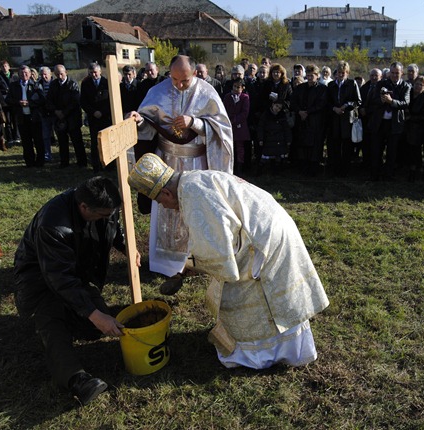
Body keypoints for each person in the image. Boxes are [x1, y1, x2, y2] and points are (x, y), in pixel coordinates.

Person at [128, 153, 329, 369]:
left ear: (166, 192)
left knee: (238, 297)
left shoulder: (192, 194)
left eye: (161, 202)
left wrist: (192, 265)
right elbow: (214, 235)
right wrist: (193, 264)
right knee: (267, 295)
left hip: (261, 242)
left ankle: (260, 356)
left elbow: (216, 249)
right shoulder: (192, 179)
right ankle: (289, 348)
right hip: (268, 226)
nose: (166, 207)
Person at [13, 177, 140, 406]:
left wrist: (126, 246)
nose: (109, 217)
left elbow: (114, 227)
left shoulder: (105, 206)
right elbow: (59, 279)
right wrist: (95, 314)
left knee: (94, 327)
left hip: (76, 273)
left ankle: (73, 318)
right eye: (104, 215)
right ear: (84, 207)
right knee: (52, 320)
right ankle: (76, 379)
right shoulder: (53, 225)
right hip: (40, 279)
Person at [128, 55, 233, 294]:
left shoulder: (207, 93)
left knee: (193, 210)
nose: (179, 85)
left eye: (184, 80)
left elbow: (222, 130)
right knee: (165, 209)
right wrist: (139, 120)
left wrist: (194, 122)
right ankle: (164, 262)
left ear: (194, 73)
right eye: (174, 79)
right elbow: (147, 123)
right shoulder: (158, 91)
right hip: (166, 161)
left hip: (196, 162)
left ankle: (194, 261)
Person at [366, 61, 411, 181]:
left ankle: (389, 175)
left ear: (402, 73)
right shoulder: (381, 84)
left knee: (392, 151)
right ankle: (375, 174)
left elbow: (405, 103)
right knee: (376, 150)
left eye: (397, 73)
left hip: (394, 123)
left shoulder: (406, 86)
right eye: (392, 73)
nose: (395, 75)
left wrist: (391, 101)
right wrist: (382, 100)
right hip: (380, 123)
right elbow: (373, 100)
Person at [47, 64, 88, 169]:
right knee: (62, 141)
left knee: (77, 141)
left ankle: (82, 162)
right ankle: (64, 162)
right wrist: (56, 111)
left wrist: (64, 113)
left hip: (72, 117)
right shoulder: (53, 85)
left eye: (61, 74)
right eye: (57, 74)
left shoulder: (72, 84)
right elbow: (49, 100)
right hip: (59, 118)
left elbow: (75, 101)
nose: (59, 76)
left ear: (66, 72)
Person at [290, 64, 328, 176]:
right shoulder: (300, 88)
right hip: (302, 121)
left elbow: (321, 104)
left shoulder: (322, 89)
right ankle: (303, 167)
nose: (310, 78)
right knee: (302, 145)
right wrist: (299, 111)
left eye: (312, 75)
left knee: (315, 146)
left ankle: (314, 168)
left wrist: (308, 112)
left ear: (317, 75)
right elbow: (293, 102)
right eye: (308, 75)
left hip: (315, 122)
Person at [6, 65, 45, 168]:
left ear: (30, 74)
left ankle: (40, 161)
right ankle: (29, 162)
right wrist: (18, 103)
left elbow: (42, 100)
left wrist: (29, 103)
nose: (24, 75)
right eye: (22, 73)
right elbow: (8, 100)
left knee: (38, 140)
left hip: (35, 118)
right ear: (19, 74)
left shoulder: (36, 85)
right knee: (26, 141)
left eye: (26, 73)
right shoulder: (13, 86)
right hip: (21, 118)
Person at [327, 61, 361, 177]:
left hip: (347, 119)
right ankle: (335, 169)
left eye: (343, 73)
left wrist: (346, 106)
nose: (341, 75)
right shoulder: (331, 85)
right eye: (339, 72)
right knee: (335, 145)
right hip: (334, 119)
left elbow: (358, 101)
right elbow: (327, 102)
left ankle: (345, 169)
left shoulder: (352, 84)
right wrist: (334, 108)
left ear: (347, 73)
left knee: (346, 145)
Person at [80, 62, 112, 173]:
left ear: (100, 71)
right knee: (95, 143)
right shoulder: (85, 84)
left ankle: (109, 165)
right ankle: (96, 166)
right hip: (93, 118)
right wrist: (93, 112)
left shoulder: (107, 83)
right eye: (91, 73)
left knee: (107, 142)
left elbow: (110, 101)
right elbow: (83, 101)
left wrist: (102, 112)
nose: (93, 75)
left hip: (105, 117)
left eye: (95, 72)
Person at [405, 76, 424, 181]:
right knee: (409, 149)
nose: (418, 86)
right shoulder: (409, 95)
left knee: (416, 150)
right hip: (408, 127)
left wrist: (411, 117)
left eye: (421, 84)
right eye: (416, 84)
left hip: (420, 128)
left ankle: (417, 169)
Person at [223, 78, 250, 176]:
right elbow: (224, 109)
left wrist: (234, 120)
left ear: (243, 88)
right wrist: (228, 120)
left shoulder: (245, 97)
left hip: (240, 126)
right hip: (228, 125)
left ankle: (240, 168)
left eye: (238, 87)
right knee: (229, 147)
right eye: (234, 86)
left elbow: (245, 113)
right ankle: (229, 167)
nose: (235, 89)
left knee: (240, 148)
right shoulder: (227, 97)